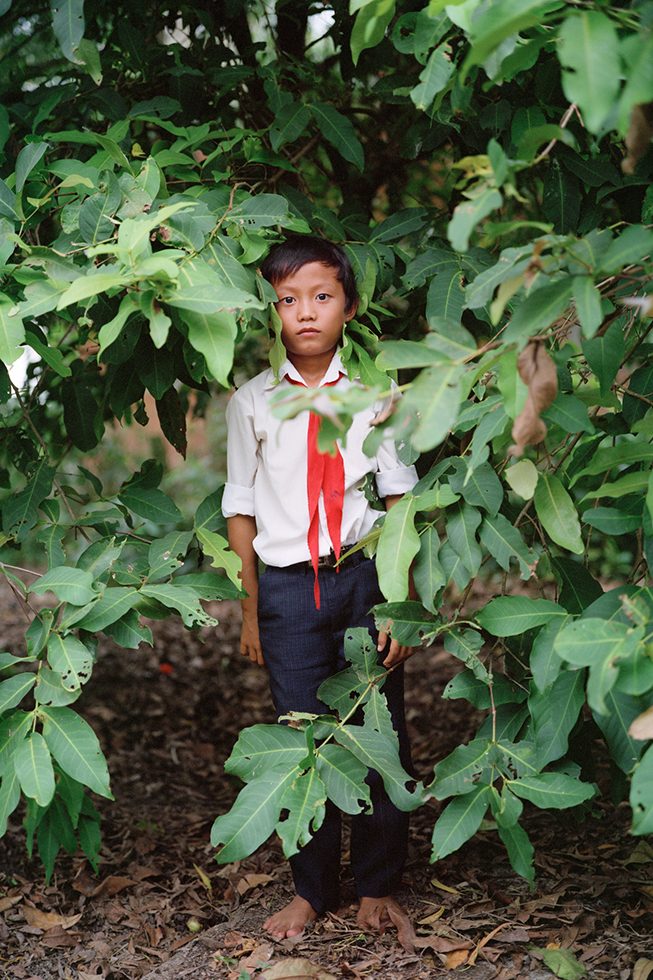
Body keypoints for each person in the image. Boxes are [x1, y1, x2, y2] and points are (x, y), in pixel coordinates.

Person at [222, 235, 419, 941]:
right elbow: (239, 506)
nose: (304, 312)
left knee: (377, 732)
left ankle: (376, 884)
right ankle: (311, 891)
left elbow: (399, 502)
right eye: (286, 300)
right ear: (270, 310)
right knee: (302, 736)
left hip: (364, 579)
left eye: (321, 296)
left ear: (349, 305)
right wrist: (250, 608)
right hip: (285, 591)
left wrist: (400, 602)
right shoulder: (251, 402)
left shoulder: (376, 394)